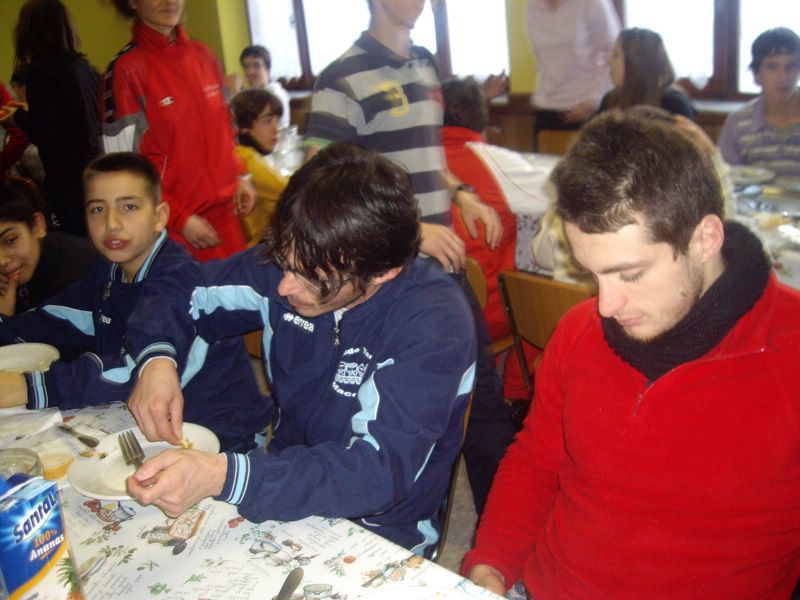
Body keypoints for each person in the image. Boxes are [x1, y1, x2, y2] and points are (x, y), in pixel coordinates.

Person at [463, 111, 800, 598]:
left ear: (705, 239)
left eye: (631, 274)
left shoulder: (789, 349)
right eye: (593, 274)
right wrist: (491, 565)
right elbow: (537, 460)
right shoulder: (580, 331)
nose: (605, 306)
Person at [122, 143, 477, 556]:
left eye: (310, 277)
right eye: (285, 261)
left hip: (380, 532)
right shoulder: (307, 253)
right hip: (281, 485)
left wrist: (227, 476)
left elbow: (377, 474)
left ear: (383, 272)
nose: (284, 285)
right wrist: (157, 359)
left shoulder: (433, 321)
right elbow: (179, 288)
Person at [304, 0, 513, 517]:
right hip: (391, 274)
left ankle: (500, 528)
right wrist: (412, 229)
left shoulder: (424, 62)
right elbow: (321, 186)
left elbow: (427, 152)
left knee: (483, 399)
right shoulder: (342, 77)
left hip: (443, 267)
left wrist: (461, 193)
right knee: (402, 413)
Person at [0, 153, 267, 453]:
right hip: (153, 431)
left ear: (160, 216)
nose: (112, 224)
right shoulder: (107, 275)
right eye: (98, 209)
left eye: (129, 207)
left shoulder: (180, 275)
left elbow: (130, 370)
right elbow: (53, 321)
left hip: (225, 441)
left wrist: (25, 387)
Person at [102, 0, 255, 261]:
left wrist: (241, 176)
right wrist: (179, 219)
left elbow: (226, 130)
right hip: (174, 232)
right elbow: (124, 169)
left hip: (228, 222)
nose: (170, 1)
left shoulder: (204, 56)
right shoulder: (126, 71)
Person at [7, 0, 101, 237]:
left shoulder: (40, 72)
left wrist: (17, 116)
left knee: (73, 246)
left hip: (67, 183)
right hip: (96, 172)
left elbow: (45, 135)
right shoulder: (87, 69)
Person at [0, 176, 98, 317]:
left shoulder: (80, 280)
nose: (2, 261)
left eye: (10, 240)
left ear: (38, 225)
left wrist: (4, 320)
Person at [719, 27, 800, 188]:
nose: (783, 76)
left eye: (791, 65)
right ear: (756, 74)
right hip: (753, 203)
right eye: (772, 67)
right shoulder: (738, 122)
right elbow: (726, 180)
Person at [526, 0, 620, 138]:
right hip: (545, 108)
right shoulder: (533, 5)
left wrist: (594, 100)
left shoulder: (593, 4)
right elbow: (541, 59)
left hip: (585, 110)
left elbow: (613, 56)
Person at [231, 89, 288, 246]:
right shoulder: (246, 157)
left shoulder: (239, 152)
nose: (276, 129)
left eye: (277, 121)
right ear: (243, 127)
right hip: (255, 247)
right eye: (267, 121)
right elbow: (288, 190)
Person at [599, 27, 696, 120]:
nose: (609, 61)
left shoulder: (674, 104)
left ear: (636, 62)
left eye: (615, 55)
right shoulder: (610, 99)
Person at [234, 45, 291, 129]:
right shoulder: (252, 94)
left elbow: (249, 125)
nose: (250, 72)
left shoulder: (275, 95)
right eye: (246, 67)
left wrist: (235, 92)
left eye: (256, 66)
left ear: (268, 69)